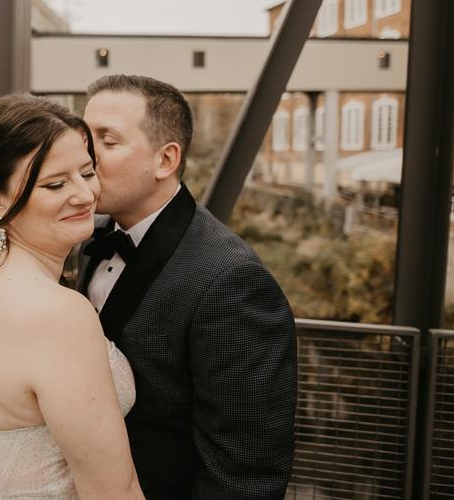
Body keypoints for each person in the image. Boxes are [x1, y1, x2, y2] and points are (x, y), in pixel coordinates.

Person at [0, 93, 144, 500]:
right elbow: (113, 491)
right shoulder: (56, 315)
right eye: (55, 183)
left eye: (87, 173)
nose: (86, 196)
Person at [78, 75, 298, 499]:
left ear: (166, 160)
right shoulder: (86, 234)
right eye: (85, 139)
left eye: (107, 141)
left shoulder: (232, 282)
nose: (87, 158)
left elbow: (246, 473)